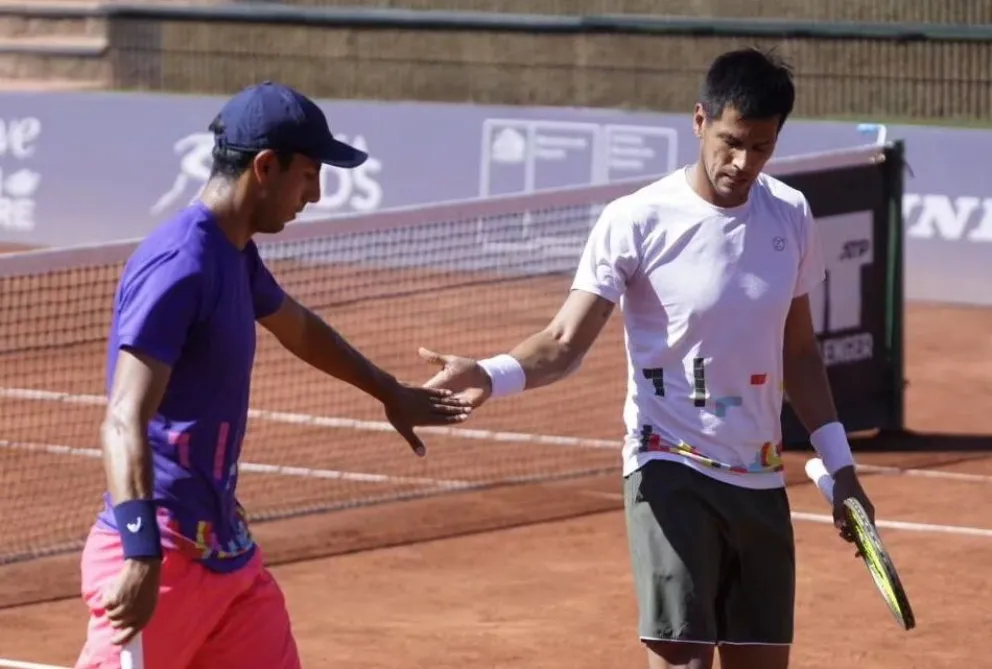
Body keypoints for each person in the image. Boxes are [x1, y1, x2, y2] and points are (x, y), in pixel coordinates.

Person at [419, 49, 876, 669]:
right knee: (685, 659)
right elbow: (564, 342)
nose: (743, 163)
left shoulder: (790, 215)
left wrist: (841, 467)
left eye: (761, 148)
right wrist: (490, 374)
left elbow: (799, 354)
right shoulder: (634, 220)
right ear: (699, 121)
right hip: (669, 467)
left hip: (760, 475)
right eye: (731, 142)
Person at [75, 81, 472, 669]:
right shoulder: (180, 264)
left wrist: (388, 392)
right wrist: (140, 553)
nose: (315, 194)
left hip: (225, 555)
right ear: (265, 167)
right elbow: (122, 418)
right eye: (308, 174)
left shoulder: (235, 253)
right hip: (162, 556)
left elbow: (301, 329)